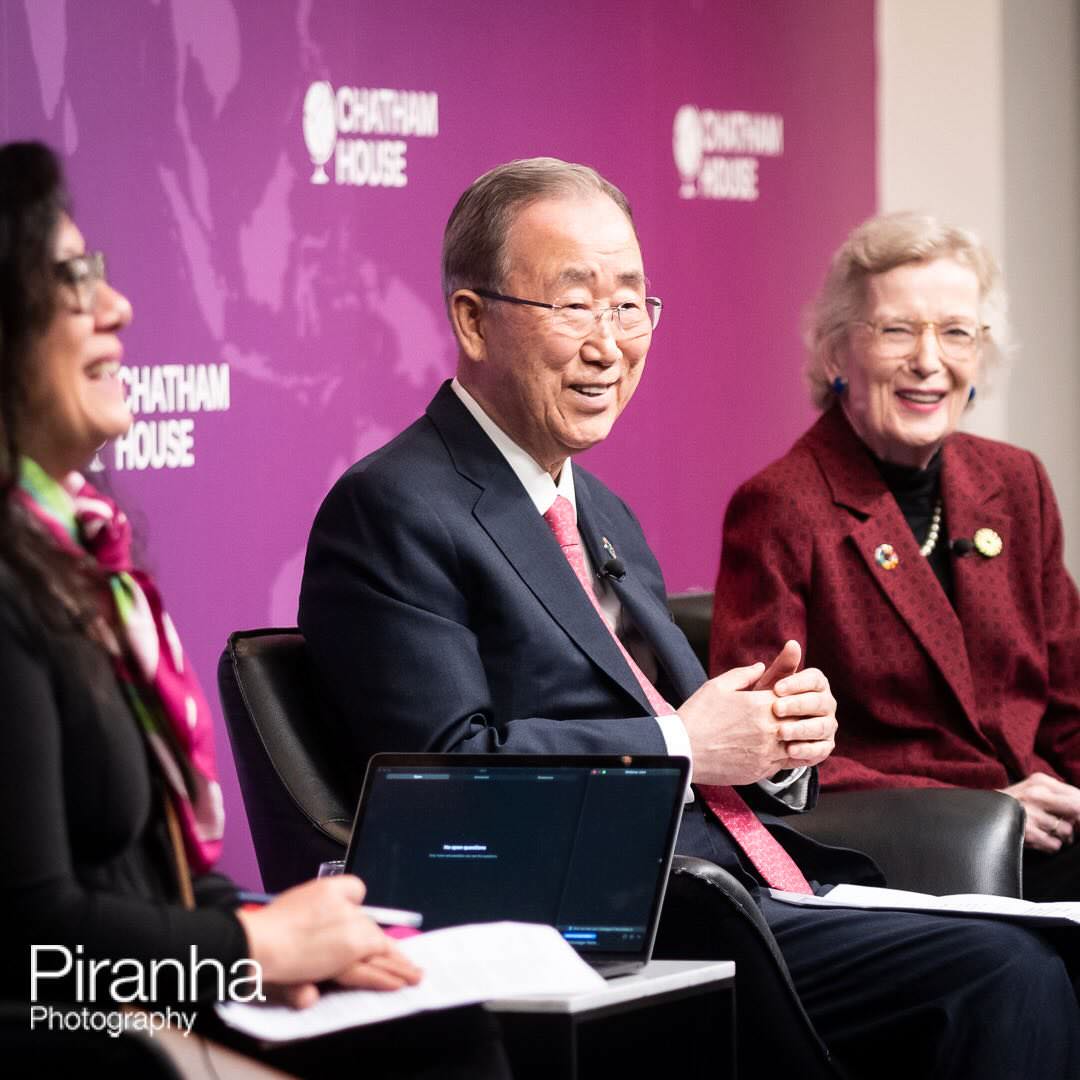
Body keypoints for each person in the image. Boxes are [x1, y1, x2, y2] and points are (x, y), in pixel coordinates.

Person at [300, 158, 1080, 1079]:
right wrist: (683, 745)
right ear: (473, 320)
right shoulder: (394, 506)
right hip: (621, 917)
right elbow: (439, 779)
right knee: (1004, 977)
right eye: (575, 305)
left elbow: (706, 737)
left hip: (753, 887)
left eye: (630, 306)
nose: (609, 344)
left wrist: (778, 745)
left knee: (1044, 953)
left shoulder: (601, 512)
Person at [0, 141, 513, 1079]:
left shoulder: (71, 559)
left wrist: (281, 934)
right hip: (78, 1029)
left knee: (442, 1025)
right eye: (71, 280)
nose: (116, 307)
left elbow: (148, 880)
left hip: (141, 995)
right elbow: (29, 945)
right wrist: (249, 948)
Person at [710, 211, 1080, 902]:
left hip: (1048, 834)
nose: (929, 361)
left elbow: (1068, 700)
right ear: (835, 355)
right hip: (909, 850)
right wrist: (985, 809)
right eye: (897, 330)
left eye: (956, 332)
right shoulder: (782, 505)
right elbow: (770, 753)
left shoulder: (1016, 481)